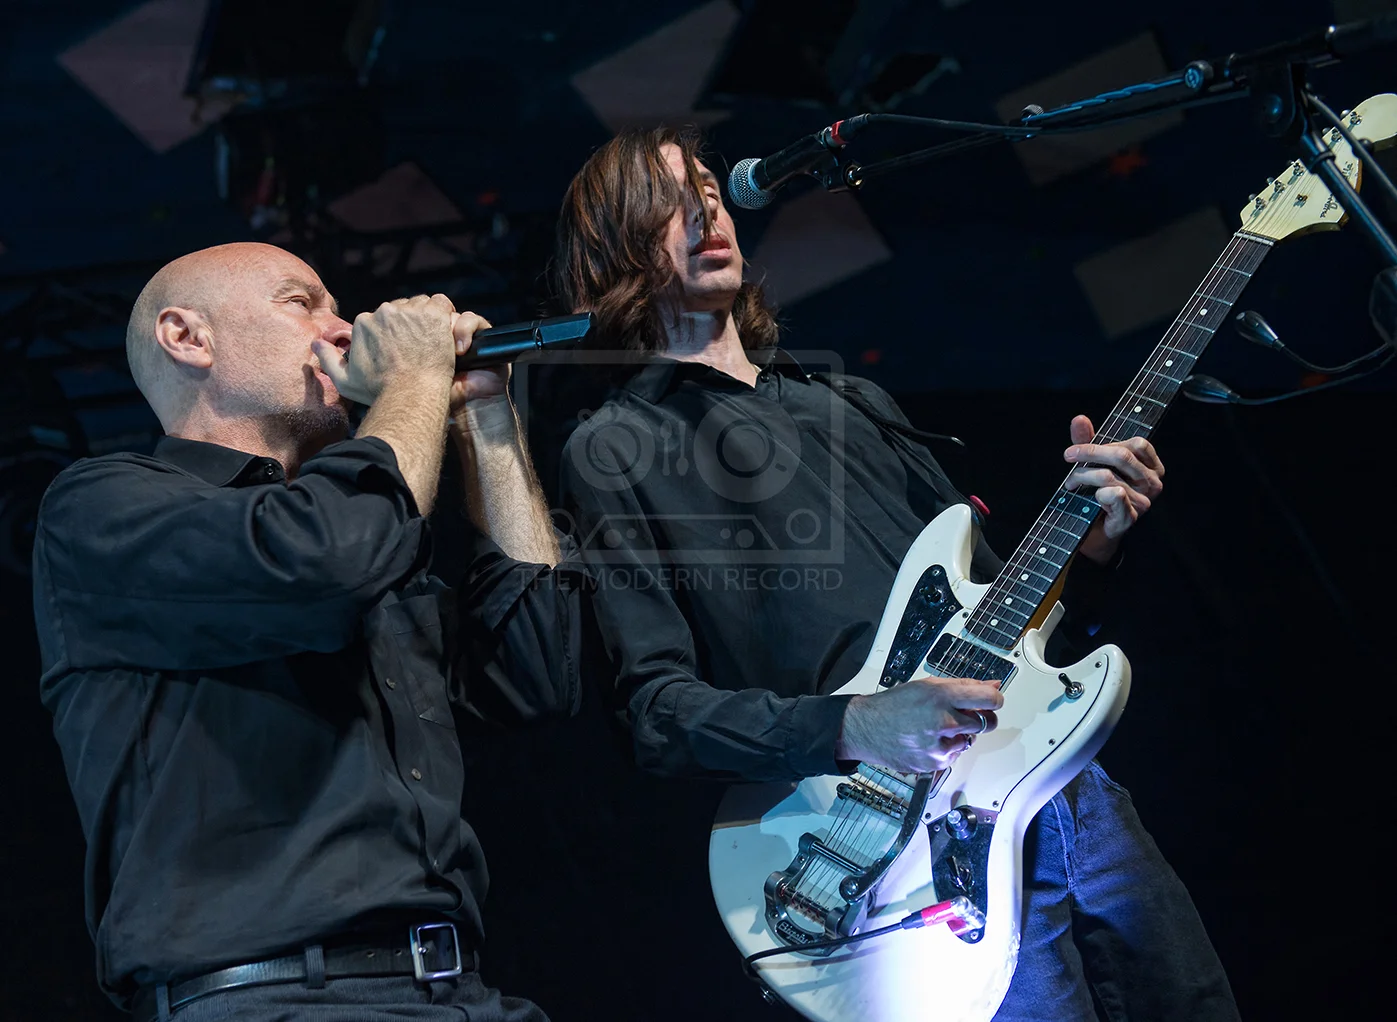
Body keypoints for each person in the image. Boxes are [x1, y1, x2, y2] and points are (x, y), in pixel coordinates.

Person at [547, 128, 1240, 1020]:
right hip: (897, 847)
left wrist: (1093, 546)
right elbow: (656, 713)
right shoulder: (614, 447)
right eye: (665, 202)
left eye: (710, 192)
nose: (703, 213)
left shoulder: (853, 401)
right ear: (610, 245)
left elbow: (1007, 620)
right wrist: (859, 723)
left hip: (1061, 785)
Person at [32, 242, 583, 1022]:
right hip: (272, 996)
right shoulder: (102, 507)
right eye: (302, 302)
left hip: (455, 992)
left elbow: (536, 671)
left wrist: (486, 412)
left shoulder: (362, 532)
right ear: (187, 337)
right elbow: (329, 563)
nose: (343, 327)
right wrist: (413, 379)